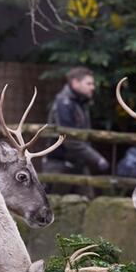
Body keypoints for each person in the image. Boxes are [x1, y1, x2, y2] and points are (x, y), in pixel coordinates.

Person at [43, 66, 110, 195]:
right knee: (56, 205)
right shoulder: (64, 104)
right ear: (75, 83)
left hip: (77, 164)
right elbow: (70, 140)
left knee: (87, 201)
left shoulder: (81, 103)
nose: (93, 87)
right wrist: (97, 159)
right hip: (60, 165)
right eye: (88, 83)